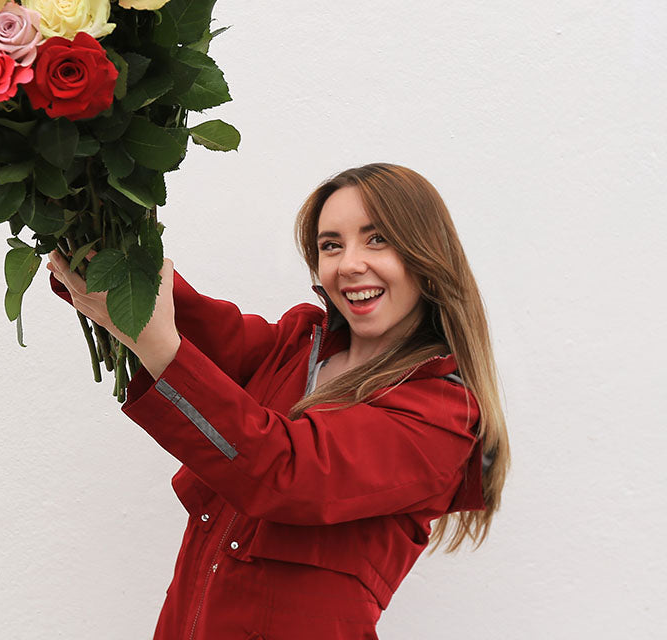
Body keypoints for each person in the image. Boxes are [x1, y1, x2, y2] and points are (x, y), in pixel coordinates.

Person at [47, 162, 509, 639]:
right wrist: (90, 232)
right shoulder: (299, 342)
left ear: (426, 255)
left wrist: (156, 343)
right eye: (331, 245)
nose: (349, 263)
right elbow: (206, 332)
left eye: (377, 239)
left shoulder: (443, 415)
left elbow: (282, 469)